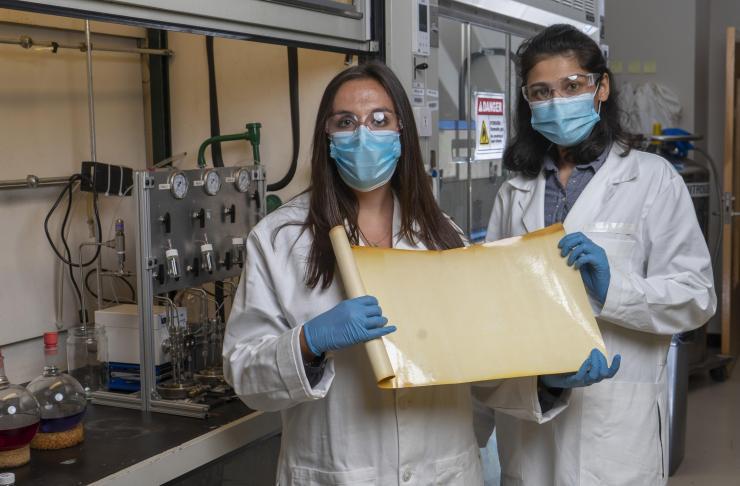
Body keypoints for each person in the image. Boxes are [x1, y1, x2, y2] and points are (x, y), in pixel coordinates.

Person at [223, 61, 615, 485]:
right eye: (345, 122)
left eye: (379, 119)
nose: (363, 133)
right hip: (337, 474)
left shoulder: (443, 237)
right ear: (327, 136)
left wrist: (549, 380)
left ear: (401, 131)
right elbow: (245, 374)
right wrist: (307, 342)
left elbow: (480, 369)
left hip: (442, 471)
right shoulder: (281, 239)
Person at [486, 24, 717, 485]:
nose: (557, 101)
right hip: (532, 420)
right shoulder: (515, 192)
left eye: (571, 86)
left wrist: (615, 289)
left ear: (601, 87)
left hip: (615, 430)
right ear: (527, 102)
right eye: (541, 91)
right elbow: (494, 307)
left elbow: (696, 297)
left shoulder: (653, 179)